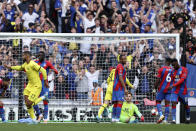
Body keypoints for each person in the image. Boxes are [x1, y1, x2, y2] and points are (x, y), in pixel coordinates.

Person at [4, 51, 49, 124]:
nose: (22, 56)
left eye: (23, 55)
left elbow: (43, 70)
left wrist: (46, 81)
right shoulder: (25, 64)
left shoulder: (33, 64)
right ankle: (34, 120)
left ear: (27, 56)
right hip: (30, 85)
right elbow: (19, 68)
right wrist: (10, 67)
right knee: (27, 103)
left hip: (36, 86)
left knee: (30, 103)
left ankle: (44, 97)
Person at [33, 51, 58, 123]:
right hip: (36, 84)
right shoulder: (35, 62)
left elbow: (56, 71)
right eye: (39, 55)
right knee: (33, 101)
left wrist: (54, 70)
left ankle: (45, 118)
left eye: (41, 55)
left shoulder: (47, 63)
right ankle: (39, 114)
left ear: (43, 57)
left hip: (44, 84)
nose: (39, 57)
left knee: (45, 101)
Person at [169, 58, 190, 124]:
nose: (173, 67)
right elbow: (171, 80)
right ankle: (173, 120)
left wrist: (173, 85)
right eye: (172, 66)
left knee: (186, 105)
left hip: (183, 91)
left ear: (177, 63)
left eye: (174, 65)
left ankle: (188, 118)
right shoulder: (172, 71)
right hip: (175, 91)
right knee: (173, 103)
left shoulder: (184, 69)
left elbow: (182, 80)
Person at [154, 58, 173, 123]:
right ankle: (165, 120)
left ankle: (161, 115)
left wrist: (155, 87)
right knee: (167, 104)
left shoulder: (162, 69)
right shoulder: (173, 70)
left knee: (158, 102)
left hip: (162, 89)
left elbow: (158, 79)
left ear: (166, 62)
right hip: (169, 89)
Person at [112, 54, 128, 122]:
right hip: (119, 87)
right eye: (124, 59)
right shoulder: (120, 67)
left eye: (126, 58)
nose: (126, 60)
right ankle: (117, 119)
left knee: (116, 103)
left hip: (116, 87)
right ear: (120, 59)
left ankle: (113, 118)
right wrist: (125, 88)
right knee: (119, 102)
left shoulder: (119, 66)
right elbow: (120, 77)